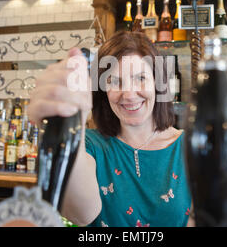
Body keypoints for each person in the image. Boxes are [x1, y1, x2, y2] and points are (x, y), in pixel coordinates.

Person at [28, 31, 193, 227]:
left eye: (140, 78)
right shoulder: (89, 143)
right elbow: (81, 214)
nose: (129, 94)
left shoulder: (190, 147)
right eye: (114, 81)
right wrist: (70, 118)